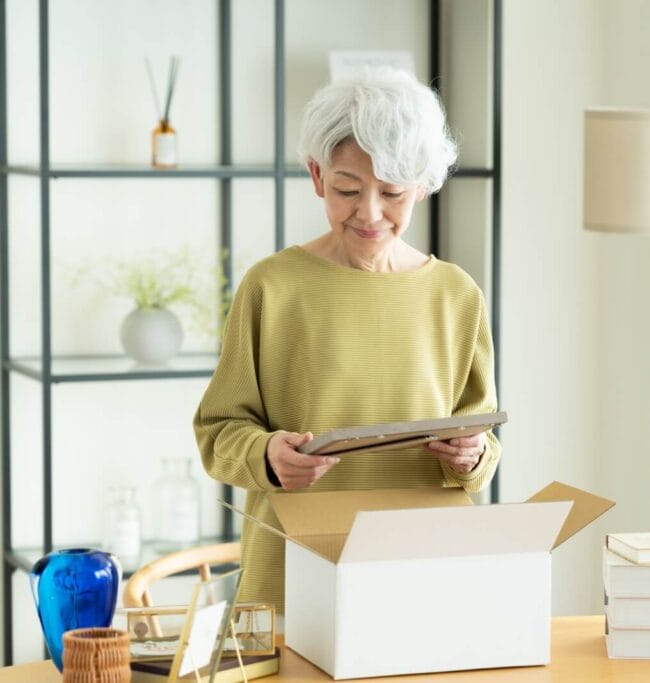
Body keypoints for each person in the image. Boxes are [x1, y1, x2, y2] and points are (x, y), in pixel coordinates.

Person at [193, 66, 501, 611]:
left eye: (392, 193)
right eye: (347, 190)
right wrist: (267, 454)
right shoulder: (273, 287)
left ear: (425, 186)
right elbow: (218, 433)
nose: (370, 213)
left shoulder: (457, 294)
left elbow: (483, 446)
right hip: (293, 574)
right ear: (316, 176)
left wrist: (470, 454)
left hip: (425, 573)